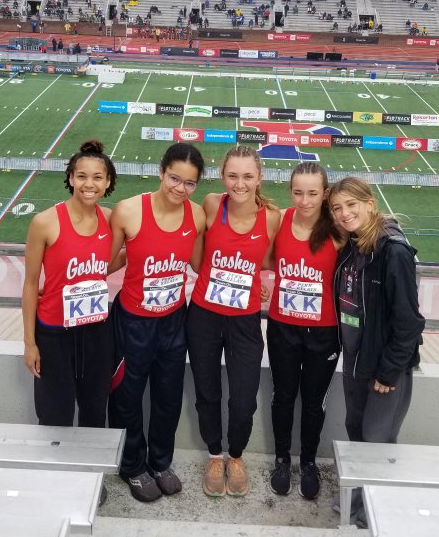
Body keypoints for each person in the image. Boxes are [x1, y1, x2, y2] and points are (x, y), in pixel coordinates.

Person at [107, 143, 207, 502]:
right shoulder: (129, 211)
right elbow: (109, 261)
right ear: (161, 171)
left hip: (173, 322)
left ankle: (160, 462)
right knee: (127, 398)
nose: (180, 188)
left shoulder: (196, 216)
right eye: (174, 178)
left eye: (190, 183)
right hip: (132, 322)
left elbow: (199, 265)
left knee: (167, 398)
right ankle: (132, 466)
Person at [328, 178, 425, 529]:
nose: (344, 213)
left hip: (384, 368)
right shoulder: (354, 245)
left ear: (370, 203)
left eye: (351, 205)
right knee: (357, 429)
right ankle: (359, 499)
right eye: (337, 208)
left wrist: (389, 371)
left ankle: (377, 511)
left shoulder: (392, 251)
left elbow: (409, 322)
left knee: (376, 439)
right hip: (356, 359)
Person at [187, 145, 281, 498]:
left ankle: (236, 456)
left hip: (244, 321)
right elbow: (197, 259)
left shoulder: (272, 217)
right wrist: (225, 279)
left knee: (243, 398)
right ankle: (215, 455)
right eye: (232, 176)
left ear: (259, 178)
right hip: (204, 316)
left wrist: (256, 284)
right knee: (207, 392)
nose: (239, 184)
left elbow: (270, 259)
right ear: (222, 176)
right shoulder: (211, 205)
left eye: (247, 176)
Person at [22, 140, 117, 432]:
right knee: (55, 414)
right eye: (82, 176)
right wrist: (30, 343)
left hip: (97, 332)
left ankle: (91, 474)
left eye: (98, 177)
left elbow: (106, 264)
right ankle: (55, 475)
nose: (90, 184)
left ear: (108, 182)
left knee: (94, 410)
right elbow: (29, 285)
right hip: (54, 334)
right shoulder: (45, 223)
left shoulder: (111, 219)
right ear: (71, 179)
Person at [265, 162, 341, 501]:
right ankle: (282, 459)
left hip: (324, 332)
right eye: (298, 192)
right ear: (289, 191)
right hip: (283, 326)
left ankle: (308, 462)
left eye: (313, 193)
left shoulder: (338, 232)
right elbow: (263, 259)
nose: (305, 200)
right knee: (283, 396)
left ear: (325, 193)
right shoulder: (279, 220)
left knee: (313, 403)